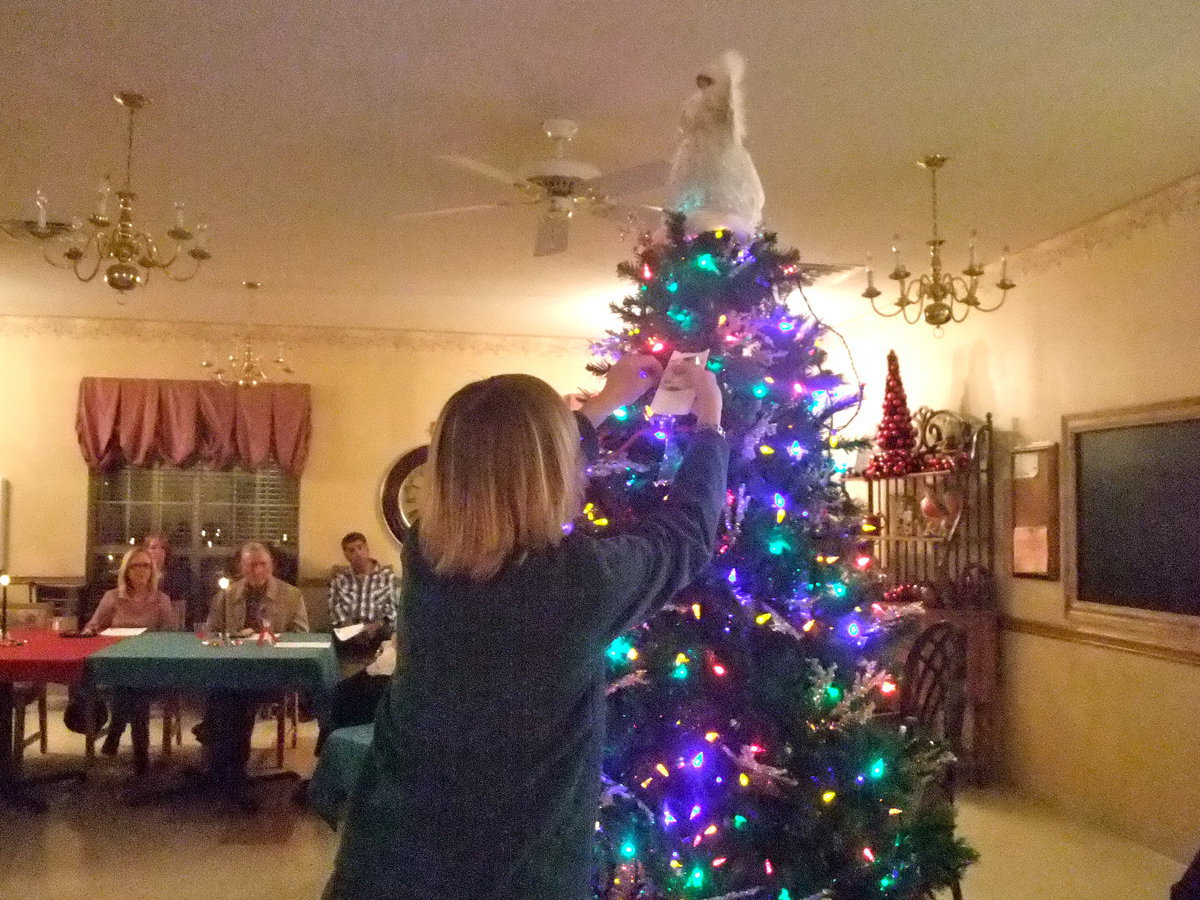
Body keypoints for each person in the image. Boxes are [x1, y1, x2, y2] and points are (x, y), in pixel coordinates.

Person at [324, 356, 728, 900]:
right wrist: (710, 430)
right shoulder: (581, 581)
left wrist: (607, 402)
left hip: (388, 856)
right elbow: (684, 537)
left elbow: (501, 471)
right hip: (518, 869)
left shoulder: (426, 550)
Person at [201, 542, 309, 803]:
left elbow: (302, 634)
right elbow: (210, 631)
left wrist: (270, 636)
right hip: (232, 669)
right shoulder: (227, 595)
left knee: (232, 702)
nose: (258, 570)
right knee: (222, 696)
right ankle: (224, 766)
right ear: (241, 567)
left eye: (263, 564)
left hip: (272, 672)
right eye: (251, 564)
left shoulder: (291, 595)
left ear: (272, 566)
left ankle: (230, 769)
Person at [81, 546, 177, 774]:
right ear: (126, 571)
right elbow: (94, 625)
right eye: (136, 566)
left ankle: (117, 731)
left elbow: (172, 635)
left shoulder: (161, 600)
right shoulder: (112, 597)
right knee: (131, 689)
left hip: (150, 664)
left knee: (134, 688)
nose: (141, 570)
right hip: (117, 663)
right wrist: (89, 632)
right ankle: (140, 754)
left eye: (146, 565)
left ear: (153, 570)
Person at [328, 532, 400, 659]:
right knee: (330, 637)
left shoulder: (387, 576)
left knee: (392, 634)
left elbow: (394, 607)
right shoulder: (340, 579)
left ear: (367, 549)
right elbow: (334, 608)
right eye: (351, 550)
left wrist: (377, 624)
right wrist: (351, 628)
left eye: (360, 548)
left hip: (379, 630)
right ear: (346, 555)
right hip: (349, 632)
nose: (357, 553)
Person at [142, 533, 193, 628]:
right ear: (146, 551)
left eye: (162, 548)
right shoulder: (140, 575)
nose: (158, 551)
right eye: (153, 548)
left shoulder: (177, 575)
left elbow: (179, 608)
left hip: (169, 623)